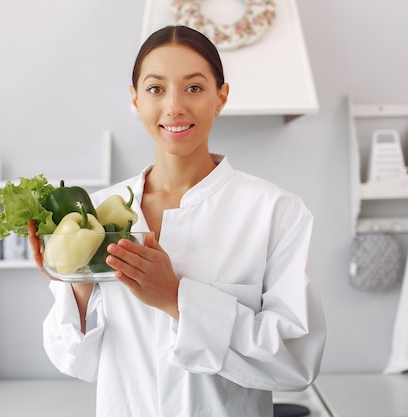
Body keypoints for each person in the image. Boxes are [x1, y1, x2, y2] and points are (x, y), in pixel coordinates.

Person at [29, 25, 326, 417]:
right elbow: (73, 361)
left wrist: (175, 298)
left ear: (221, 97)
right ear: (135, 99)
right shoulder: (95, 213)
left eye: (194, 88)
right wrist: (75, 283)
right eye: (155, 89)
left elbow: (295, 361)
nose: (174, 107)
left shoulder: (275, 211)